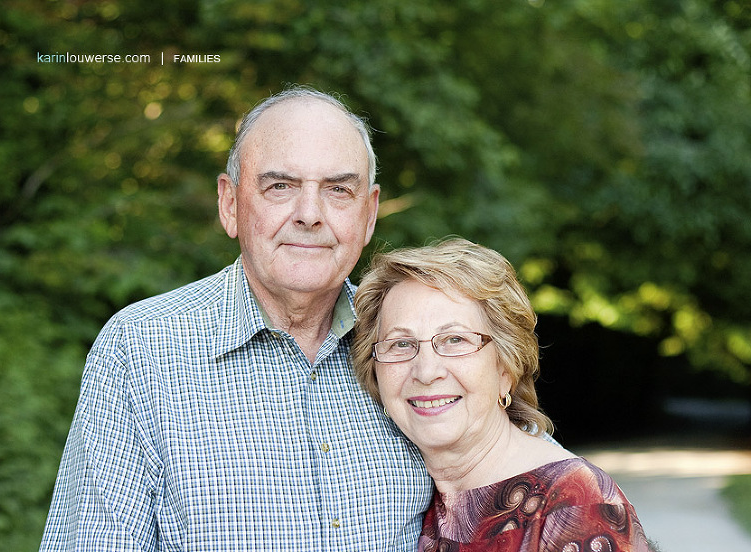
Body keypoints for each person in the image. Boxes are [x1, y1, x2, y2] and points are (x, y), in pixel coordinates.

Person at [40, 86, 433, 551]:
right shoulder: (141, 350)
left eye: (338, 190)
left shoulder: (413, 349)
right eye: (280, 186)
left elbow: (510, 475)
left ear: (368, 215)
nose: (309, 214)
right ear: (230, 204)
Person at [352, 238, 655, 552]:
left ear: (505, 369)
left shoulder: (573, 501)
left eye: (455, 339)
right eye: (401, 344)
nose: (426, 372)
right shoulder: (422, 504)